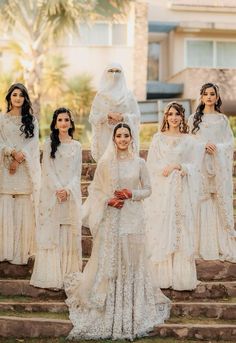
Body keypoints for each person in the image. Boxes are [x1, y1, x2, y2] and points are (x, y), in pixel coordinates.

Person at [64, 122, 170, 340]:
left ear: (132, 138)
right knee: (114, 261)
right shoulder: (105, 164)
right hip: (112, 219)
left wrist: (131, 193)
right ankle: (111, 304)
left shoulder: (139, 162)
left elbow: (148, 189)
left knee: (132, 261)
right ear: (114, 139)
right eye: (119, 136)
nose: (122, 139)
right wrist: (109, 201)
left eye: (126, 136)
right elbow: (95, 191)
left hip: (134, 219)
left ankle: (133, 305)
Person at [145, 102, 203, 291]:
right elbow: (151, 167)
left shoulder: (190, 140)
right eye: (170, 114)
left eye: (177, 114)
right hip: (162, 192)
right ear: (165, 117)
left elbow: (196, 166)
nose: (174, 118)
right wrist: (165, 173)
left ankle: (181, 277)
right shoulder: (158, 139)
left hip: (182, 191)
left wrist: (179, 167)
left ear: (182, 117)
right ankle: (162, 276)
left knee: (181, 228)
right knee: (163, 228)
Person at [30, 108, 82, 289]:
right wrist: (59, 189)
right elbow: (47, 170)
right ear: (55, 123)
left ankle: (68, 273)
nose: (63, 123)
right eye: (60, 120)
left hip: (69, 196)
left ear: (71, 123)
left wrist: (67, 190)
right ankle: (52, 275)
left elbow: (77, 173)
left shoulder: (77, 146)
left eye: (66, 119)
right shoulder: (48, 143)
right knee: (53, 231)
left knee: (67, 229)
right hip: (53, 195)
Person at [188, 83, 236, 262]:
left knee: (216, 201)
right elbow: (188, 143)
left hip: (217, 166)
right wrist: (202, 146)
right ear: (201, 97)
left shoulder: (222, 120)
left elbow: (229, 143)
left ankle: (219, 244)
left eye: (212, 94)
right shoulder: (193, 118)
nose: (209, 97)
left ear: (217, 97)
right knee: (201, 201)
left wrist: (217, 147)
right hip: (199, 168)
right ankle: (200, 245)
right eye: (205, 94)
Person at [0, 83, 40, 265]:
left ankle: (21, 253)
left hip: (24, 168)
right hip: (4, 168)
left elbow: (32, 144)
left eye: (21, 95)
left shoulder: (31, 121)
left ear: (25, 99)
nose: (17, 98)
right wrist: (10, 152)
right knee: (6, 203)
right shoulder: (1, 119)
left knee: (23, 204)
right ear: (9, 97)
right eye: (14, 94)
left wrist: (18, 159)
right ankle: (5, 251)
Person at [89, 62, 140, 161]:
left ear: (122, 74)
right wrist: (107, 115)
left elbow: (136, 116)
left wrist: (123, 117)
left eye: (117, 71)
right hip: (105, 139)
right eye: (111, 71)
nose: (114, 74)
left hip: (124, 139)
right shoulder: (100, 96)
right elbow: (93, 117)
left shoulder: (129, 95)